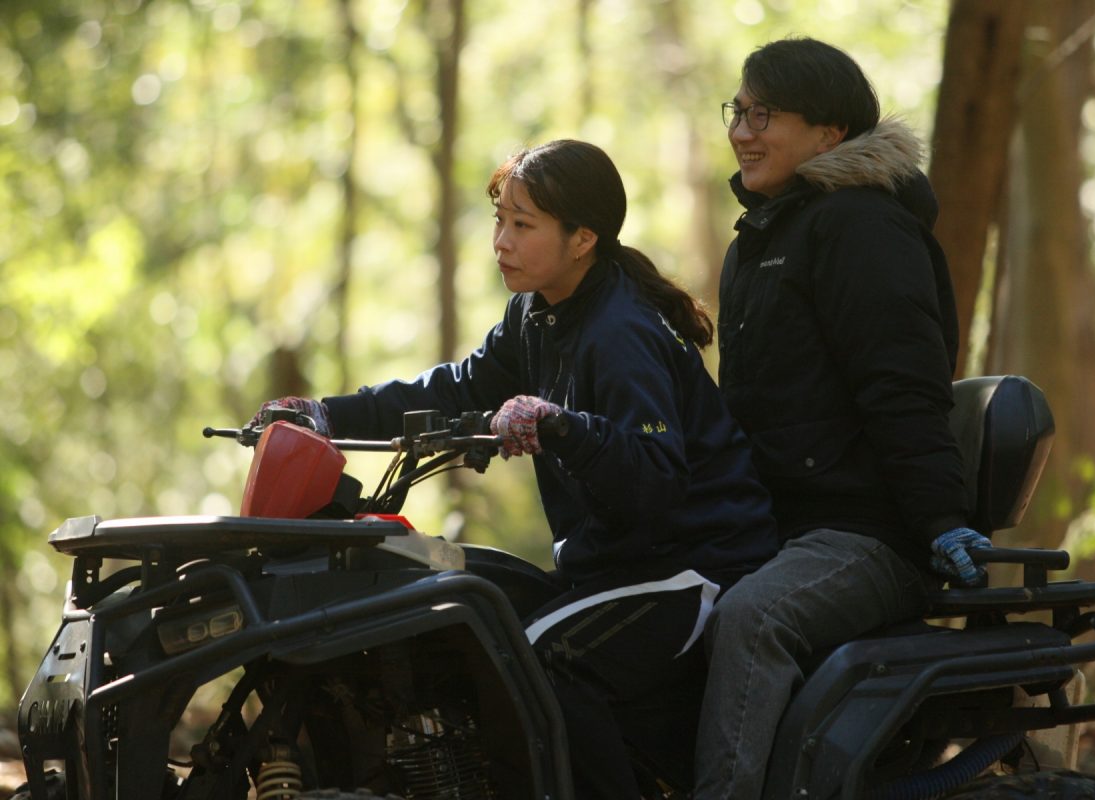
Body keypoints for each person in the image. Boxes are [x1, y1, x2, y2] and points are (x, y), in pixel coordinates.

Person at [251, 139, 778, 798]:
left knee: (537, 665)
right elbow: (456, 388)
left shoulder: (621, 333)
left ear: (582, 238)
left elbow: (657, 480)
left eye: (523, 225)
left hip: (695, 564)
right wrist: (325, 415)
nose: (501, 241)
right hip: (610, 566)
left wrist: (564, 427)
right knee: (447, 588)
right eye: (500, 219)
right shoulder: (535, 312)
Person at [691, 37, 993, 799]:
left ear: (828, 134)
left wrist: (939, 521)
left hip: (868, 532)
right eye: (738, 111)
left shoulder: (862, 226)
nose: (742, 131)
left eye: (765, 115)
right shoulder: (759, 241)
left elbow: (904, 388)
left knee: (754, 618)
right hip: (777, 525)